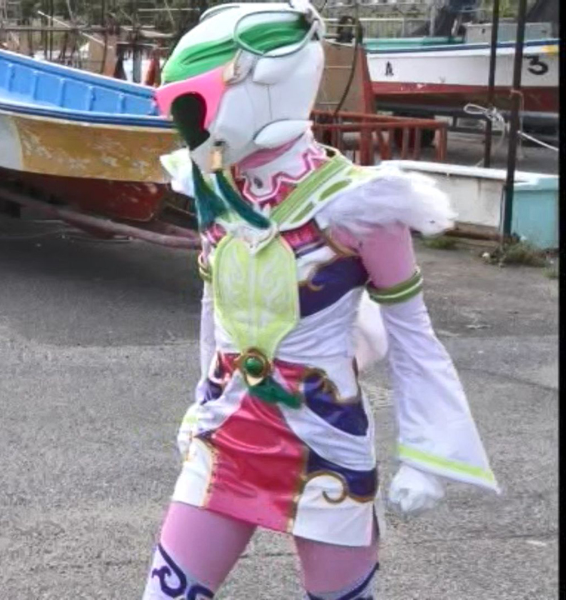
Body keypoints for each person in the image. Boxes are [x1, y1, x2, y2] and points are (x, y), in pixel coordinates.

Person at [142, 2, 499, 598]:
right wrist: (199, 404)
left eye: (192, 103)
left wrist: (427, 452)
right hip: (224, 437)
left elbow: (412, 333)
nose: (188, 125)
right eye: (177, 107)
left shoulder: (362, 207)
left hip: (324, 444)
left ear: (260, 87)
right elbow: (216, 313)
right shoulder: (213, 190)